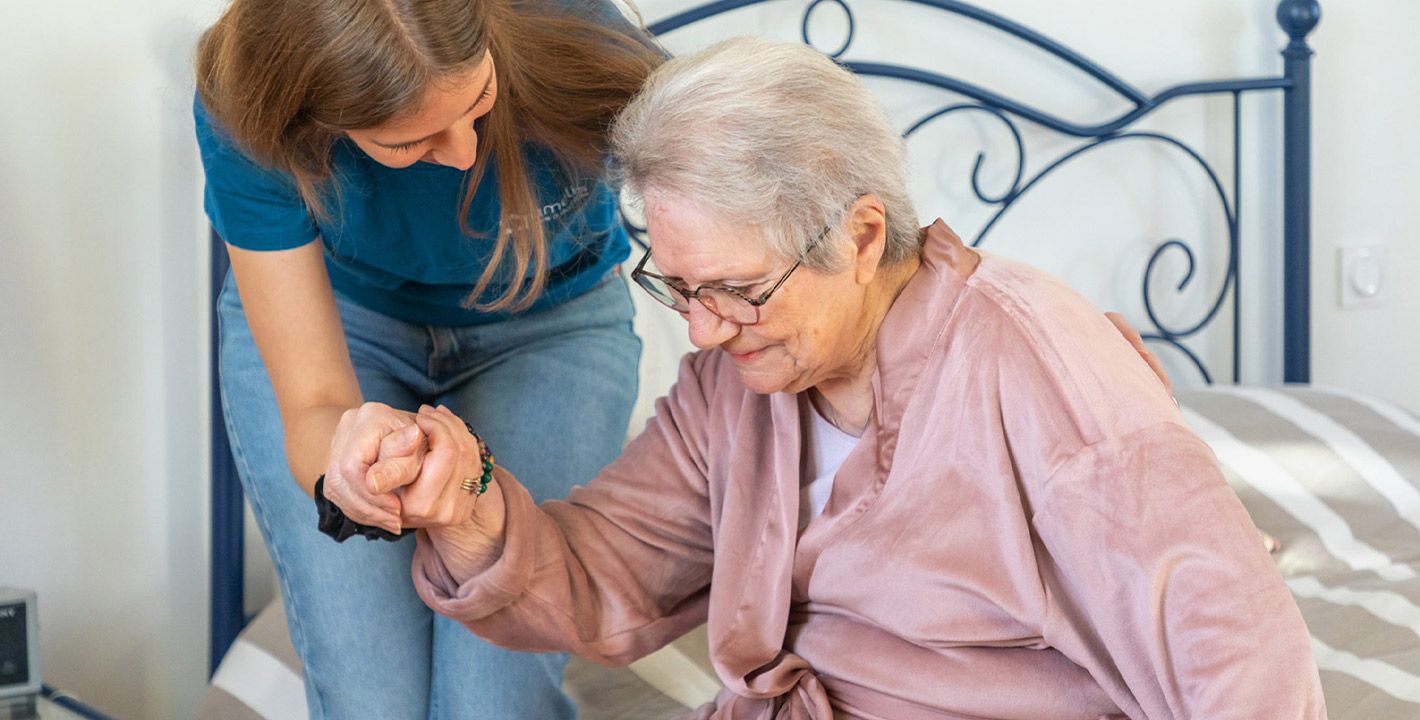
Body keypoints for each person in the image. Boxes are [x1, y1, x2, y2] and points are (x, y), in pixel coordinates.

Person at [339, 38, 1326, 719]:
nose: (704, 328)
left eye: (734, 288)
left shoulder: (1042, 369)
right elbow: (604, 576)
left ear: (858, 235)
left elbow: (1238, 656)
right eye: (675, 288)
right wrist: (463, 497)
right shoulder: (734, 385)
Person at [193, 0, 663, 716]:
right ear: (318, 121)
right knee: (371, 701)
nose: (466, 152)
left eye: (478, 99)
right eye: (411, 143)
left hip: (556, 324)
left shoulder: (584, 33)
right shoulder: (251, 108)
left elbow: (737, 217)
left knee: (493, 703)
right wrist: (351, 470)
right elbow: (317, 402)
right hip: (343, 320)